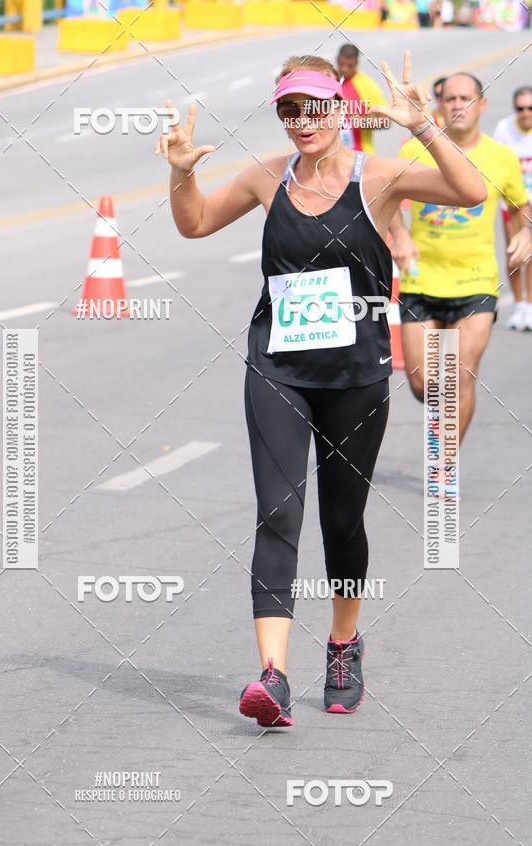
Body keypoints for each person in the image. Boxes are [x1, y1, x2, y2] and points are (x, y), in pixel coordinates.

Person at [156, 51, 487, 727]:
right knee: (278, 514)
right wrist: (180, 174)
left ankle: (342, 642)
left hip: (356, 375)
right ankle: (272, 676)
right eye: (288, 110)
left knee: (342, 521)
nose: (302, 122)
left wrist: (426, 128)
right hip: (277, 368)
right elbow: (192, 223)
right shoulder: (265, 178)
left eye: (313, 107)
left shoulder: (381, 177)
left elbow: (473, 192)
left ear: (339, 109)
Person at [392, 73, 531, 444]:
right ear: (439, 106)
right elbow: (386, 195)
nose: (457, 105)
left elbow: (522, 205)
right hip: (421, 280)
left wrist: (525, 233)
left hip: (475, 283)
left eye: (465, 98)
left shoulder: (501, 158)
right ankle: (444, 437)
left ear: (481, 104)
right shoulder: (412, 152)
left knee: (458, 374)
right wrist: (401, 234)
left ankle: (445, 462)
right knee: (424, 384)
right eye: (450, 99)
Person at [492, 86, 532, 331]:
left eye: (530, 108)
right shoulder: (504, 129)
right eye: (521, 108)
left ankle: (530, 305)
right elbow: (496, 166)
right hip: (513, 201)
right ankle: (519, 305)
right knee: (515, 254)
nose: (526, 112)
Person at [336, 44, 390, 155]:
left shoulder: (368, 84)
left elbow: (386, 121)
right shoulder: (330, 80)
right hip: (332, 157)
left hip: (361, 156)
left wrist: (362, 122)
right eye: (341, 64)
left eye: (349, 65)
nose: (344, 68)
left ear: (356, 63)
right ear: (337, 59)